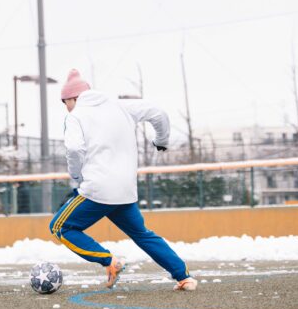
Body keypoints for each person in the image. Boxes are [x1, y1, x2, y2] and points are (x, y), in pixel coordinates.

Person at [49, 69, 198, 291]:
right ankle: (184, 277)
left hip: (97, 190)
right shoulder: (121, 106)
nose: (67, 107)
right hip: (125, 190)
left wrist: (77, 176)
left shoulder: (76, 116)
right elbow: (157, 113)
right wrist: (161, 140)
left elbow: (73, 149)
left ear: (73, 98)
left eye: (65, 102)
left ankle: (109, 260)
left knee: (60, 227)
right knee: (142, 234)